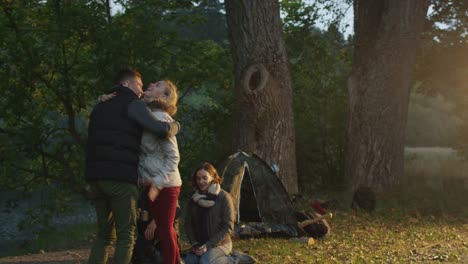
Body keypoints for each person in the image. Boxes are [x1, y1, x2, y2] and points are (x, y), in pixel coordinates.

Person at [85, 69, 180, 264]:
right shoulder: (133, 104)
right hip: (120, 178)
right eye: (139, 84)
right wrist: (177, 126)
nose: (142, 88)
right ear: (127, 85)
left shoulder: (100, 105)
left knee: (104, 235)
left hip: (94, 177)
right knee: (126, 236)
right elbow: (160, 130)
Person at [138, 80, 183, 264]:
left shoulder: (162, 118)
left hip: (167, 184)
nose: (151, 85)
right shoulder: (148, 115)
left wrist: (157, 182)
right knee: (167, 230)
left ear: (165, 97)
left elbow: (174, 157)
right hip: (154, 183)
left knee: (165, 230)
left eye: (157, 85)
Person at [184, 163, 236, 264]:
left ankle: (234, 260)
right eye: (198, 178)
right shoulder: (194, 199)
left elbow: (228, 227)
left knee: (205, 261)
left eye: (204, 178)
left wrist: (208, 245)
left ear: (212, 177)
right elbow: (188, 224)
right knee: (190, 261)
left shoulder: (224, 197)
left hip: (220, 244)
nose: (201, 181)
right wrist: (194, 244)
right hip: (200, 245)